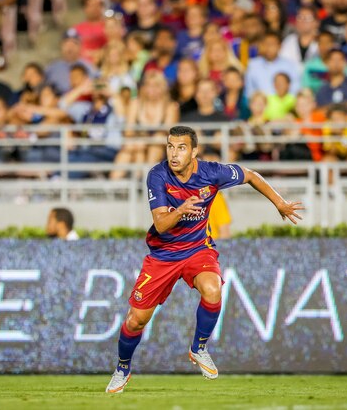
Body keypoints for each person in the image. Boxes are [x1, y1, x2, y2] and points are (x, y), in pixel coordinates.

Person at [105, 125, 303, 393]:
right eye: (170, 147)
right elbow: (162, 224)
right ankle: (123, 367)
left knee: (212, 289)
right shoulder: (158, 175)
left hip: (198, 248)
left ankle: (199, 348)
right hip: (164, 255)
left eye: (181, 148)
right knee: (135, 320)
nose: (174, 154)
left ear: (194, 151)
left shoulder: (212, 172)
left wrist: (278, 202)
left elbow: (252, 175)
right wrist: (182, 210)